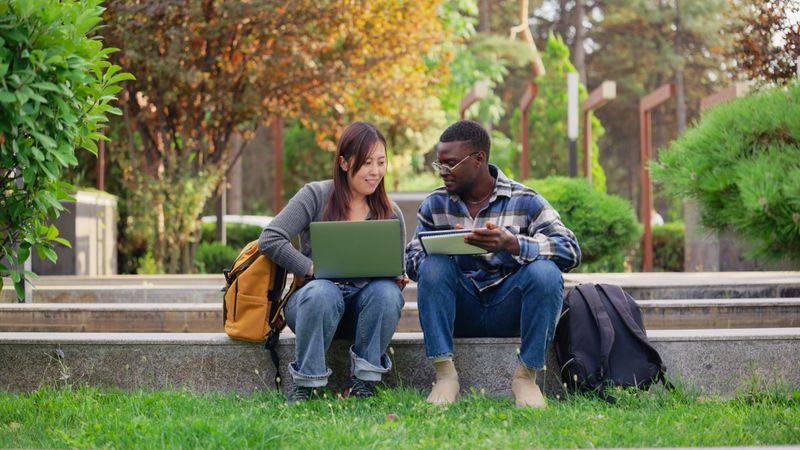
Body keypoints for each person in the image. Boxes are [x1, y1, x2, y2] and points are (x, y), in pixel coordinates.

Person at [404, 120, 581, 408]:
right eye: (440, 164)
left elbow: (570, 250)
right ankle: (446, 377)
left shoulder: (525, 200)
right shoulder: (435, 204)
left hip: (509, 309)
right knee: (433, 266)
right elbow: (412, 262)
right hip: (461, 311)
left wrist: (513, 244)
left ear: (478, 159)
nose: (443, 172)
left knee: (546, 273)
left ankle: (525, 378)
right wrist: (446, 248)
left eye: (450, 164)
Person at [259, 121, 408, 404]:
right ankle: (307, 385)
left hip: (360, 313)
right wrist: (311, 268)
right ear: (343, 162)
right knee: (322, 292)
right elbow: (270, 238)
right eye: (366, 163)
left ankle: (364, 383)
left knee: (386, 293)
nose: (375, 172)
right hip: (313, 305)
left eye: (381, 162)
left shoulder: (390, 213)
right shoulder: (315, 196)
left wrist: (395, 280)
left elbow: (392, 274)